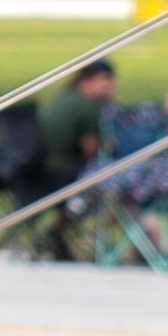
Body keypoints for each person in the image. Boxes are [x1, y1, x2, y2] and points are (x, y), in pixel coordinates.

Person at [24, 55, 121, 259]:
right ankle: (71, 237)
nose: (109, 86)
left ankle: (56, 237)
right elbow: (91, 152)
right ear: (86, 81)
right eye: (103, 80)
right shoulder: (87, 107)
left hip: (34, 175)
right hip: (59, 176)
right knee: (108, 184)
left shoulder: (65, 98)